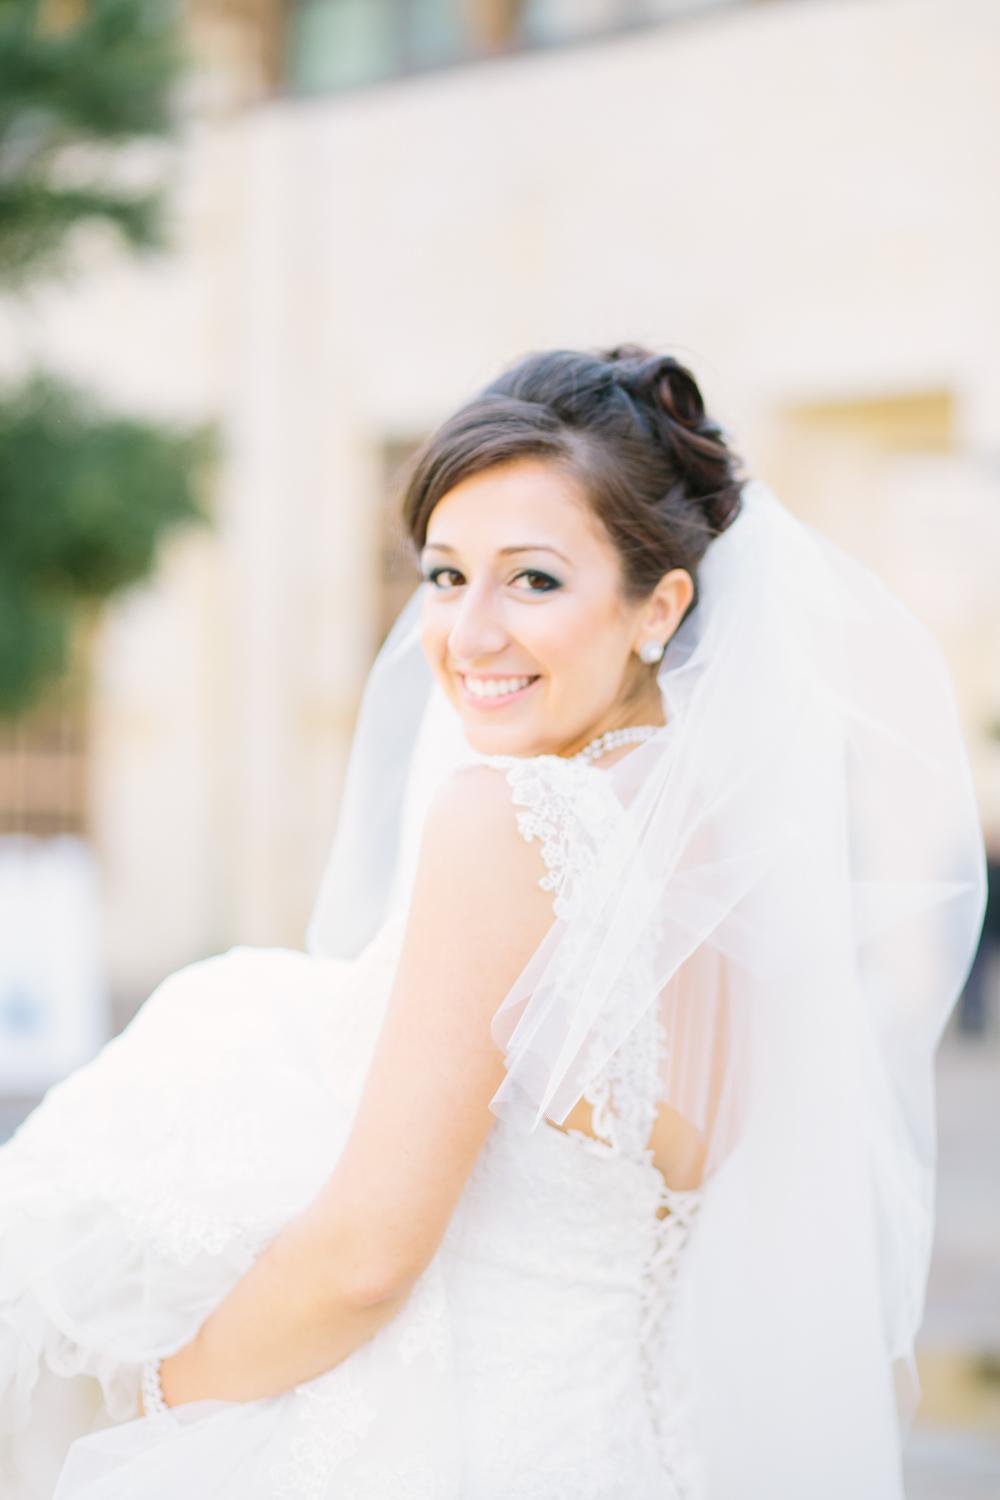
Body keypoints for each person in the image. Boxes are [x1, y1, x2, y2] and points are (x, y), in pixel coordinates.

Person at [0, 345, 986, 1500]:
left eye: (533, 581)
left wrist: (153, 1402)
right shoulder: (726, 854)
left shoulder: (510, 822)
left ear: (658, 605)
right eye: (444, 575)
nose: (467, 636)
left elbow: (366, 1259)